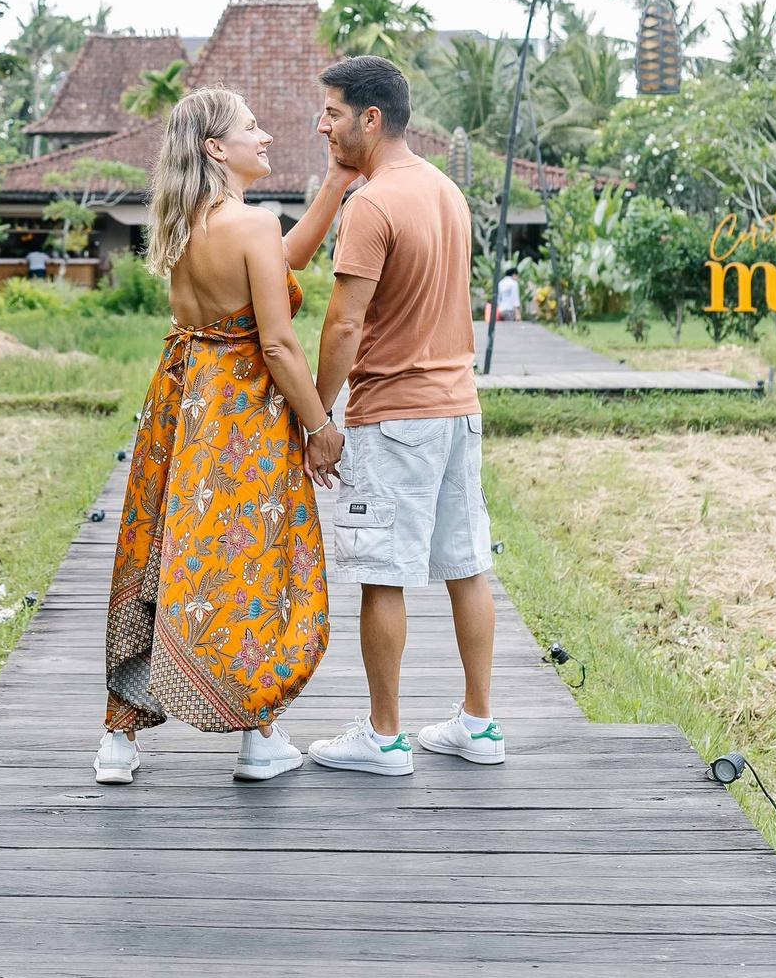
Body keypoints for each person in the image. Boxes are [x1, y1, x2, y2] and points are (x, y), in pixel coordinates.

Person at [97, 88, 356, 784]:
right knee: (249, 563)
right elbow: (276, 342)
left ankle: (119, 741)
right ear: (217, 148)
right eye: (251, 128)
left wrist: (335, 183)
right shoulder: (252, 226)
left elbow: (284, 254)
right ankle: (259, 737)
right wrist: (320, 426)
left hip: (180, 403)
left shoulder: (185, 222)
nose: (266, 136)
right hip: (242, 417)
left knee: (160, 551)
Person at [302, 56, 505, 776]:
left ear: (371, 118)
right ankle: (478, 725)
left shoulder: (373, 204)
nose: (322, 124)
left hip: (392, 417)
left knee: (382, 573)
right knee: (466, 563)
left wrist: (320, 417)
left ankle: (385, 736)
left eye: (331, 111)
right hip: (459, 411)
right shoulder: (448, 192)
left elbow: (344, 325)